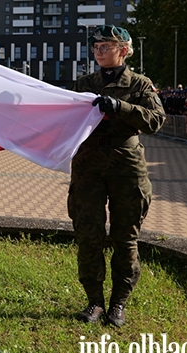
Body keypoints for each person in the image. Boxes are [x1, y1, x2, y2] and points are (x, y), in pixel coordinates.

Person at [69, 25, 165, 327]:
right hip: (88, 165)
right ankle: (94, 302)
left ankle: (118, 304)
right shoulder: (84, 83)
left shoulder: (139, 84)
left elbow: (155, 120)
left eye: (105, 46)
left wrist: (120, 107)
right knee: (88, 235)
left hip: (127, 164)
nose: (98, 52)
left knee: (126, 238)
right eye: (95, 47)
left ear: (123, 49)